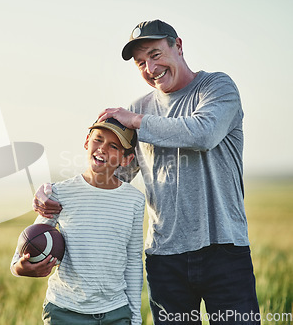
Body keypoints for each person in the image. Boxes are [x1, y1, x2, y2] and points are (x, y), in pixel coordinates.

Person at [34, 20, 260, 324]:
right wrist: (52, 193)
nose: (150, 68)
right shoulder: (139, 108)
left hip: (224, 250)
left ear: (178, 46)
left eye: (156, 55)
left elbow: (203, 134)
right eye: (141, 62)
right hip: (165, 260)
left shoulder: (216, 87)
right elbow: (113, 177)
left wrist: (135, 120)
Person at [11, 118, 145, 325]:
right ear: (86, 142)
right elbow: (32, 238)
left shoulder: (134, 200)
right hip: (65, 312)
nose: (102, 148)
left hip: (116, 313)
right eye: (98, 140)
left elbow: (133, 259)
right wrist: (19, 267)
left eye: (114, 146)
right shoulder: (59, 193)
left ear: (126, 159)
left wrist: (135, 317)